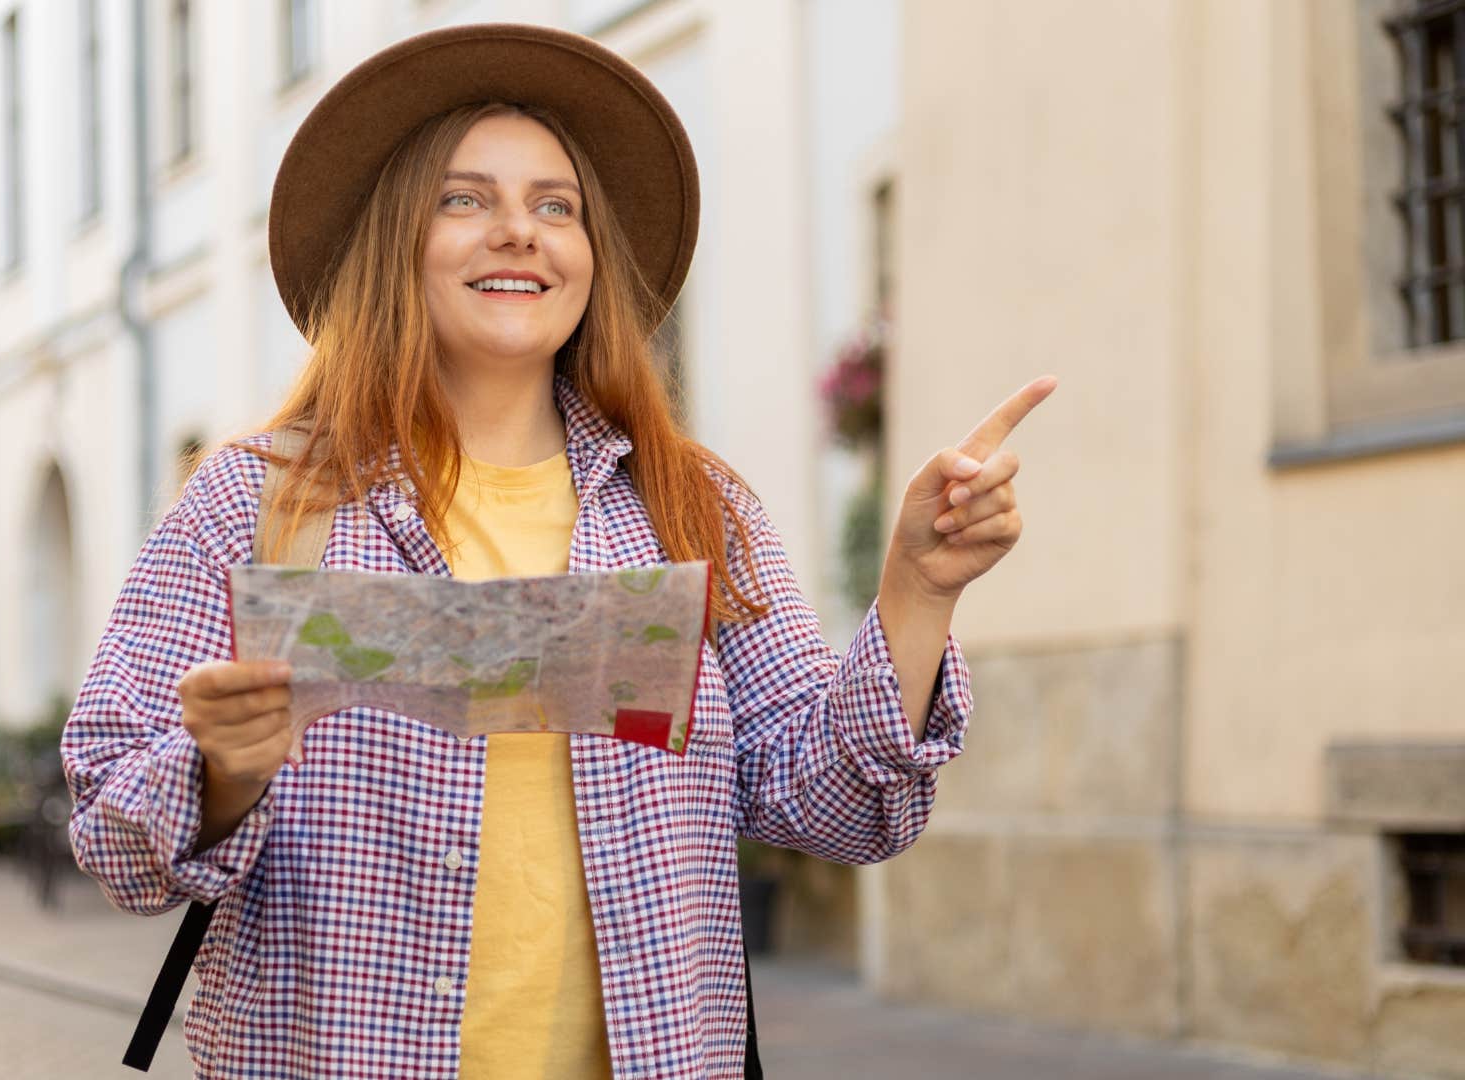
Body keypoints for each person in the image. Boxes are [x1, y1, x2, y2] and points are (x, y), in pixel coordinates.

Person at [63, 23, 1055, 1078]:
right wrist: (221, 771)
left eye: (555, 206)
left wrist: (914, 592)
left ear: (591, 258)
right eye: (464, 199)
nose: (518, 233)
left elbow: (837, 804)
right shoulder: (254, 502)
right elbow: (114, 844)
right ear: (396, 239)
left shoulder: (692, 507)